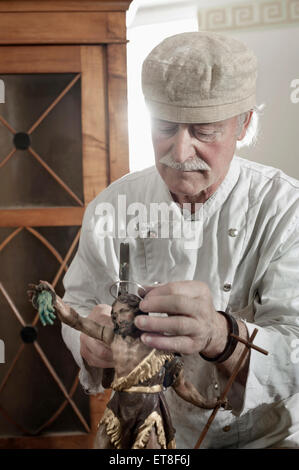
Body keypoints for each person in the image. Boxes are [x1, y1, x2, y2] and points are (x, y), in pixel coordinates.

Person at [61, 31, 299, 449]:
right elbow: (76, 303)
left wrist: (221, 336)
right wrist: (87, 340)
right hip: (149, 436)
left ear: (243, 123)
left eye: (204, 130)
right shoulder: (113, 205)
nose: (180, 148)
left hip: (264, 437)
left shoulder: (285, 209)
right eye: (165, 127)